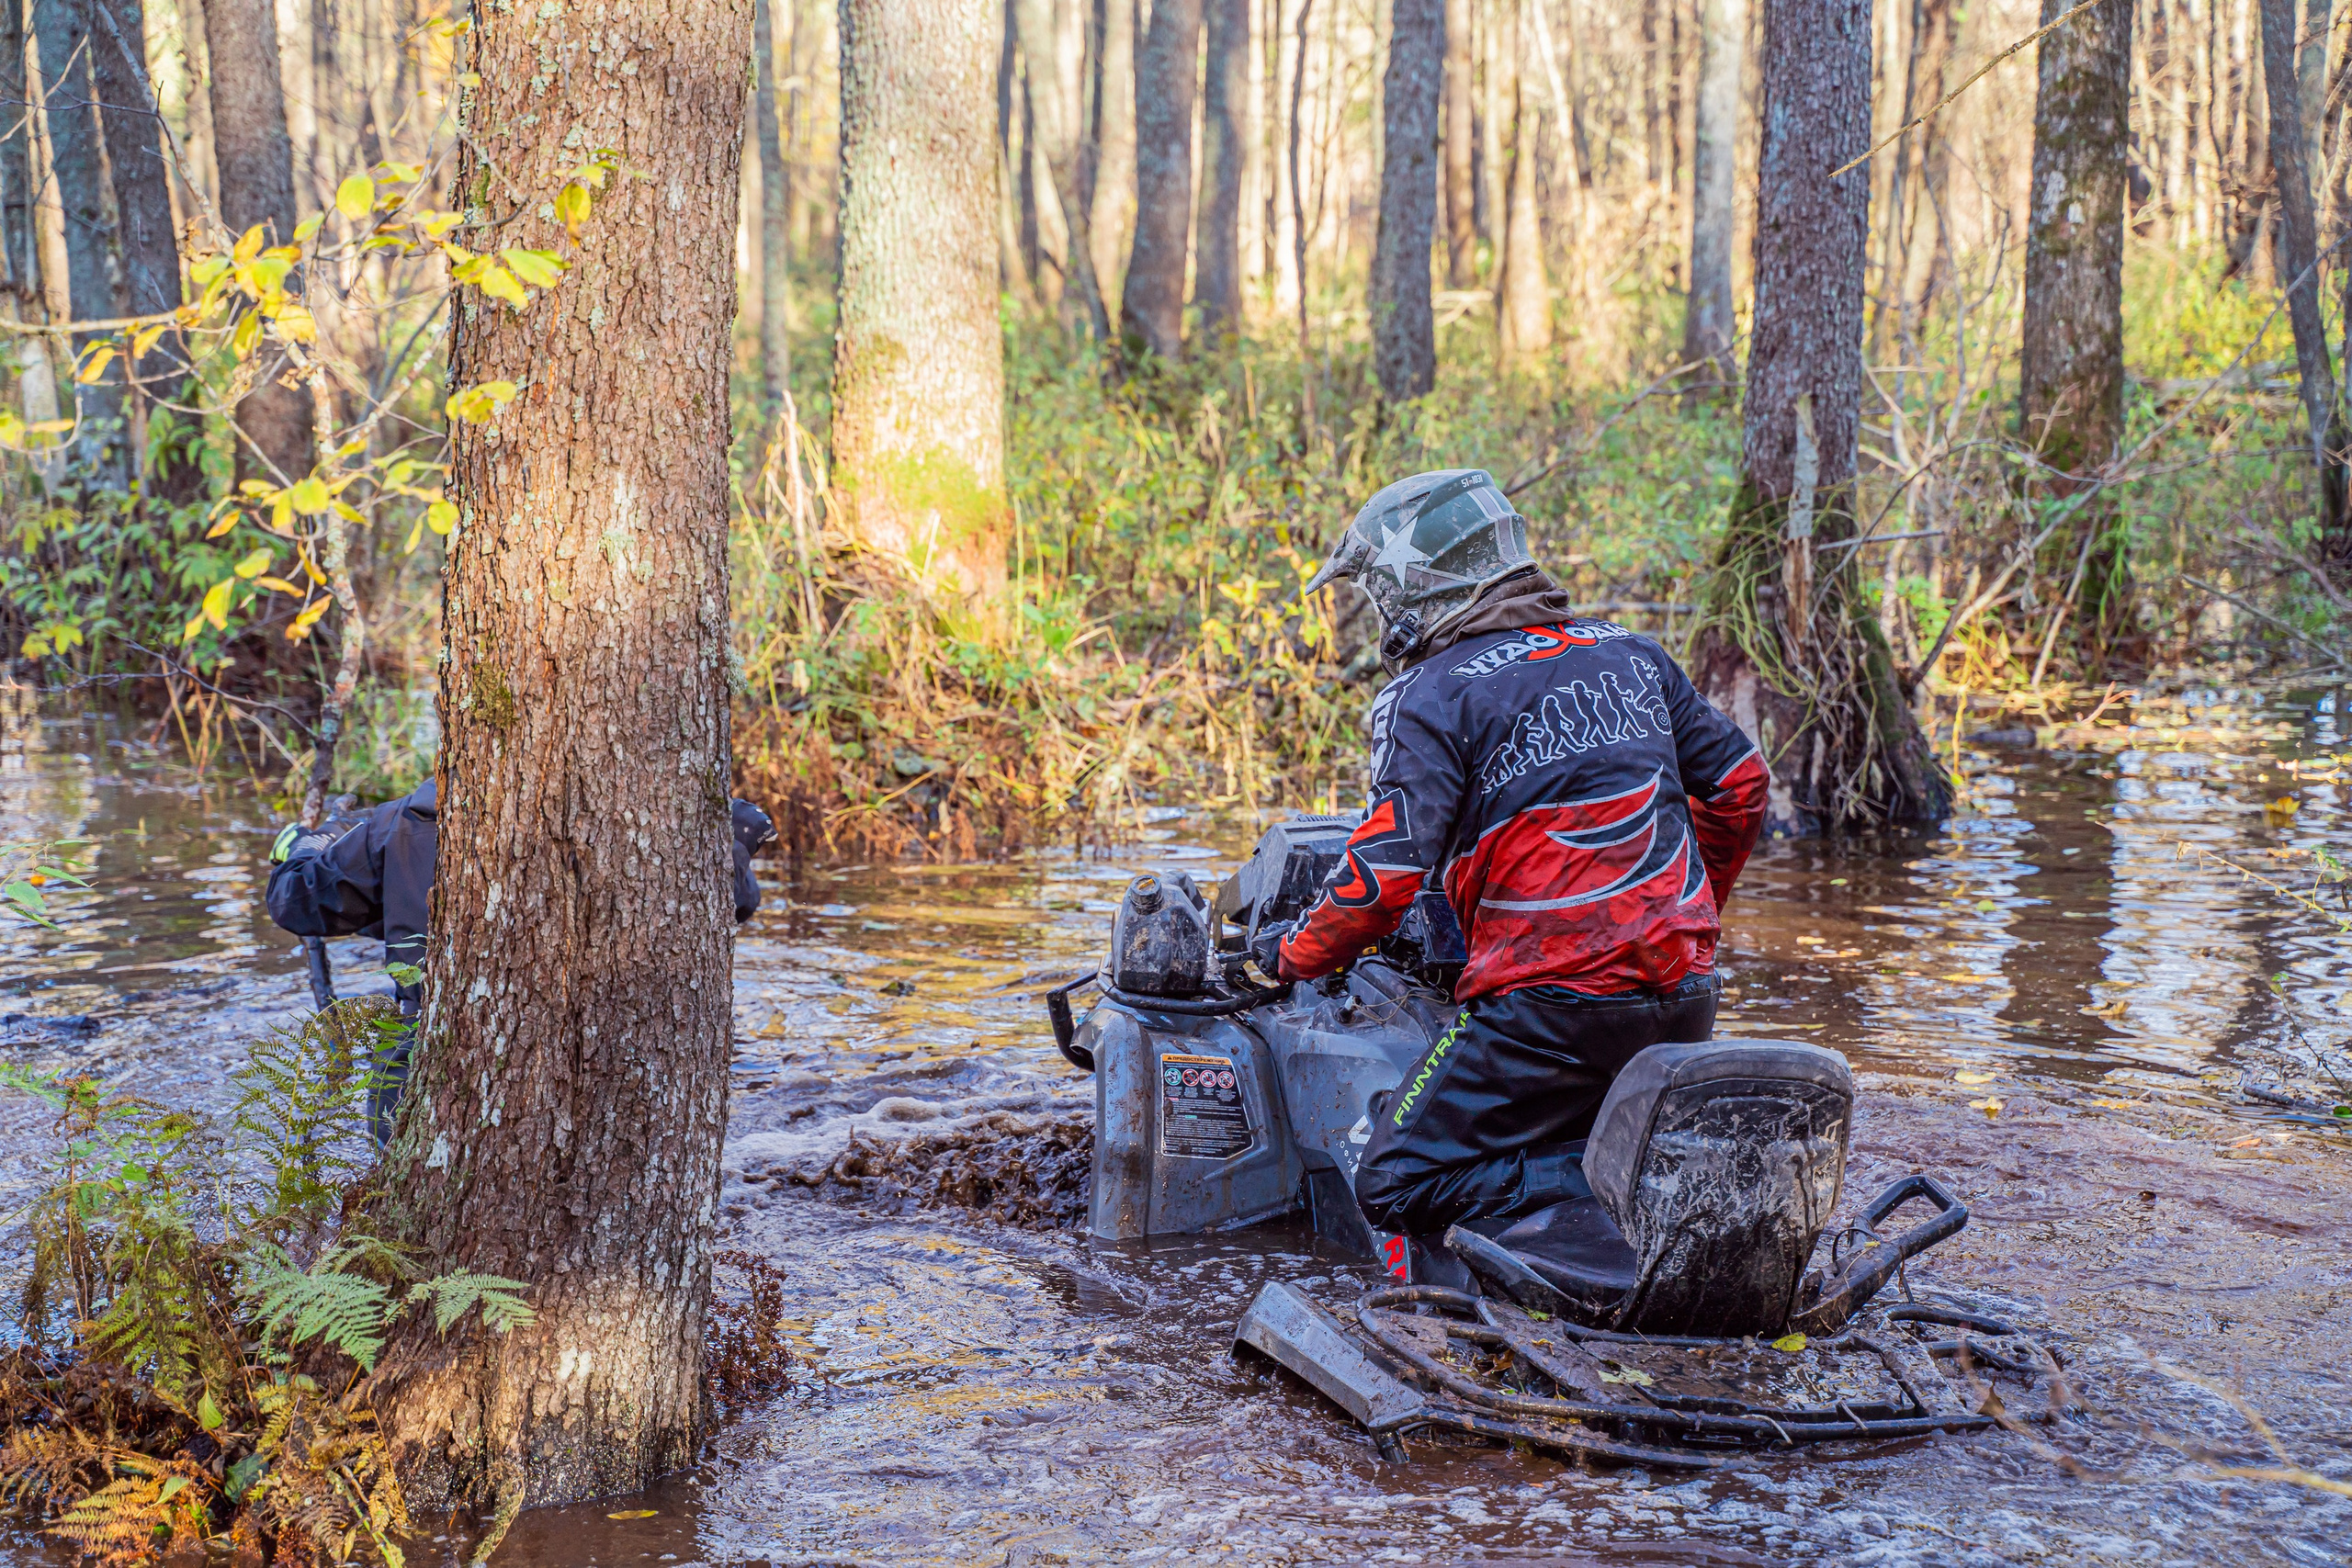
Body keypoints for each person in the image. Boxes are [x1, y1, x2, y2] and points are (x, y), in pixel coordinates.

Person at [1250, 468, 1769, 1253]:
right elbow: (1741, 785)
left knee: (1392, 1181)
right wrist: (1686, 920)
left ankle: (1612, 1178)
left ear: (1415, 586)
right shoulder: (1632, 652)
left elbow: (1384, 876)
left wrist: (1291, 956)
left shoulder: (1427, 694)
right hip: (1685, 998)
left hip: (1545, 1017)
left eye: (1381, 594)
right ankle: (1633, 1188)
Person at [267, 782, 776, 1142]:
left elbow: (296, 900)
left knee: (405, 1213)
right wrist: (732, 842)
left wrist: (312, 841)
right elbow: (729, 904)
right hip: (600, 1055)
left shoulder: (406, 820)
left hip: (437, 1053)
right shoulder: (630, 817)